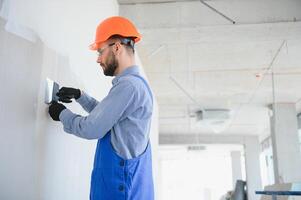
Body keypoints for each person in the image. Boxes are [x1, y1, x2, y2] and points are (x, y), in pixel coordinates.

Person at [48, 16, 154, 200]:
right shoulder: (136, 85)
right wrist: (81, 96)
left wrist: (62, 114)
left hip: (118, 191)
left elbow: (91, 128)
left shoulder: (128, 86)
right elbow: (109, 118)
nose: (98, 59)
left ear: (117, 47)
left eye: (100, 51)